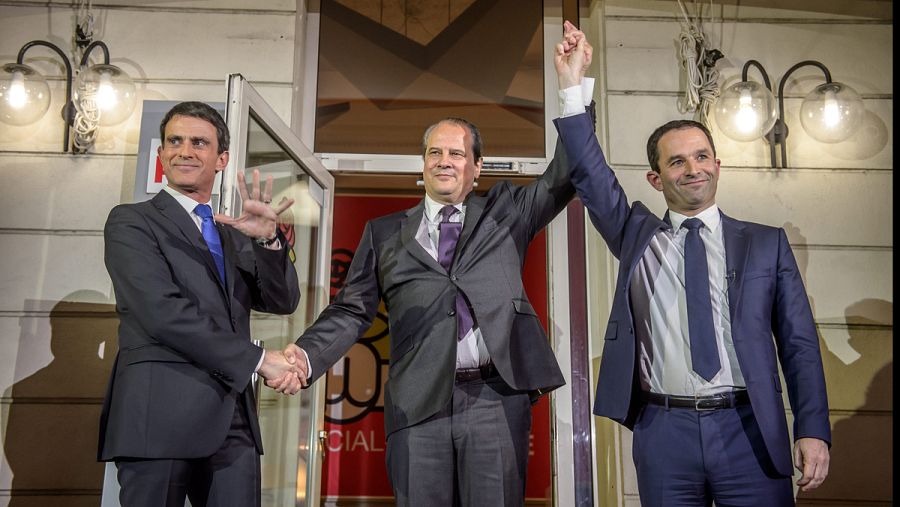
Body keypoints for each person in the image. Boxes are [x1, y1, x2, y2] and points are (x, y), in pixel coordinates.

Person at [266, 25, 594, 506]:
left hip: (495, 398)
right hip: (418, 402)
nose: (444, 161)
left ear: (476, 168)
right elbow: (352, 311)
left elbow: (568, 171)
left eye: (457, 153)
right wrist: (306, 355)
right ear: (421, 165)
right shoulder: (383, 233)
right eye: (434, 153)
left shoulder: (507, 213)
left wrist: (571, 86)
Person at [552, 28, 831, 506]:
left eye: (702, 156)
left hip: (750, 427)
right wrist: (573, 85)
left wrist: (813, 430)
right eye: (677, 162)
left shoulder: (766, 245)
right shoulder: (636, 234)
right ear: (656, 178)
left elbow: (799, 345)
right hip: (665, 432)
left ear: (718, 165)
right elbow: (590, 175)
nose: (693, 168)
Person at [98, 101, 304, 507]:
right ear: (161, 155)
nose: (185, 150)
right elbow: (162, 314)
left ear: (221, 158)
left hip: (233, 421)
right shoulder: (131, 221)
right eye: (174, 141)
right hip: (158, 418)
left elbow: (282, 300)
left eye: (199, 142)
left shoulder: (234, 231)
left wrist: (267, 240)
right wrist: (261, 361)